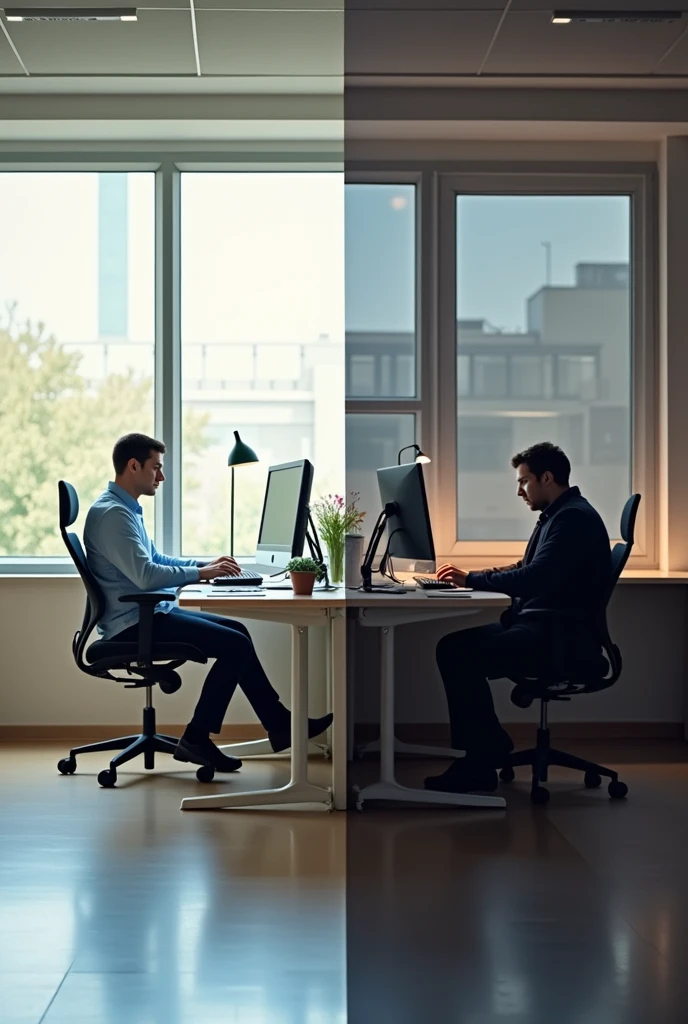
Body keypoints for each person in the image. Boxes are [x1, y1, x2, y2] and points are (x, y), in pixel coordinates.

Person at [84, 433, 332, 774]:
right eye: (156, 468)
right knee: (234, 645)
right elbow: (145, 575)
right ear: (133, 466)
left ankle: (279, 724)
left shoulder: (125, 510)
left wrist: (204, 566)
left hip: (147, 615)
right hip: (133, 625)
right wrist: (202, 574)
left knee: (237, 631)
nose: (161, 477)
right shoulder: (113, 515)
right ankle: (199, 737)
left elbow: (154, 558)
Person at [424, 442, 612, 794]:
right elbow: (528, 568)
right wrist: (474, 575)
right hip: (545, 628)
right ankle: (486, 746)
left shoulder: (571, 519)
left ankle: (479, 761)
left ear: (547, 477)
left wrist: (473, 580)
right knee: (453, 646)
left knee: (457, 652)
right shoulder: (561, 514)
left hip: (557, 639)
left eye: (524, 482)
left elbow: (534, 577)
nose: (519, 491)